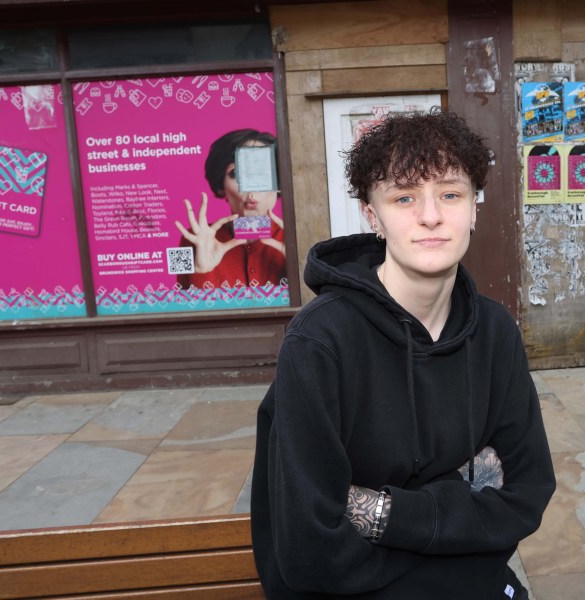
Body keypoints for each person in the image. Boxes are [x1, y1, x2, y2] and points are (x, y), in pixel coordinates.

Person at [250, 108, 555, 599]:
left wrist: (376, 512)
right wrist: (463, 505)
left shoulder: (495, 332)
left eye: (450, 194)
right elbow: (309, 546)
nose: (430, 215)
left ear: (474, 208)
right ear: (373, 215)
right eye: (404, 196)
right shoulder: (321, 341)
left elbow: (526, 495)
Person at [175, 129, 286, 290]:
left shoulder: (299, 238)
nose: (251, 188)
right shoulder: (190, 238)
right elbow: (179, 304)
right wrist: (202, 272)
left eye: (262, 173)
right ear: (221, 185)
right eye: (235, 173)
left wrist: (301, 266)